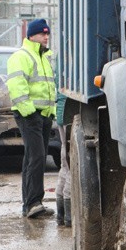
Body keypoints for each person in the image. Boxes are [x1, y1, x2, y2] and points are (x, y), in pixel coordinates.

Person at [6, 18, 56, 218]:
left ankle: (33, 203)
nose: (46, 37)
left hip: (42, 115)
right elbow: (17, 87)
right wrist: (30, 113)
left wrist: (49, 112)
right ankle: (32, 203)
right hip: (30, 115)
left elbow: (47, 88)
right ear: (32, 35)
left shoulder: (44, 57)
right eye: (43, 34)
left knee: (36, 158)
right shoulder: (21, 56)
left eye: (47, 34)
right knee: (35, 158)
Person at [55, 92, 71, 227]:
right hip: (69, 111)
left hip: (63, 110)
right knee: (71, 167)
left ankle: (62, 214)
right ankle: (69, 217)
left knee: (65, 165)